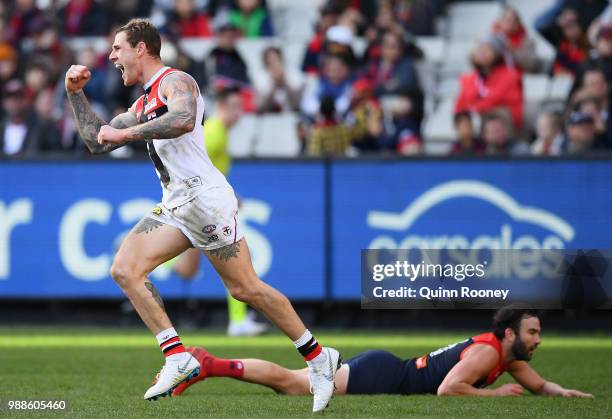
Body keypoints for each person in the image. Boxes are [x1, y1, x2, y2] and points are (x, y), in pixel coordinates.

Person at [64, 19, 340, 412]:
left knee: (246, 288)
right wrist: (74, 94)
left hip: (204, 200)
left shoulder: (177, 81)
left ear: (141, 48)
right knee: (125, 269)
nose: (111, 56)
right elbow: (96, 141)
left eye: (117, 48)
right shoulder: (142, 104)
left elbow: (184, 119)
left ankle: (317, 357)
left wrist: (124, 135)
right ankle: (177, 356)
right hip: (177, 203)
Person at [172, 307, 593, 399]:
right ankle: (209, 364)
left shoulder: (509, 356)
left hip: (388, 370)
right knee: (293, 383)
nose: (538, 339)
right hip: (384, 377)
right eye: (533, 332)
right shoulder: (487, 354)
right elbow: (449, 390)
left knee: (292, 383)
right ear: (508, 333)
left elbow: (540, 387)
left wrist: (566, 394)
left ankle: (211, 364)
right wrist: (494, 395)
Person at [171, 87, 268, 337]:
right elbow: (196, 167)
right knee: (234, 264)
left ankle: (238, 320)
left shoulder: (217, 131)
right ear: (223, 106)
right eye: (236, 106)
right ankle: (238, 321)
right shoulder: (214, 132)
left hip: (203, 206)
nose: (240, 113)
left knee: (191, 269)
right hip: (202, 208)